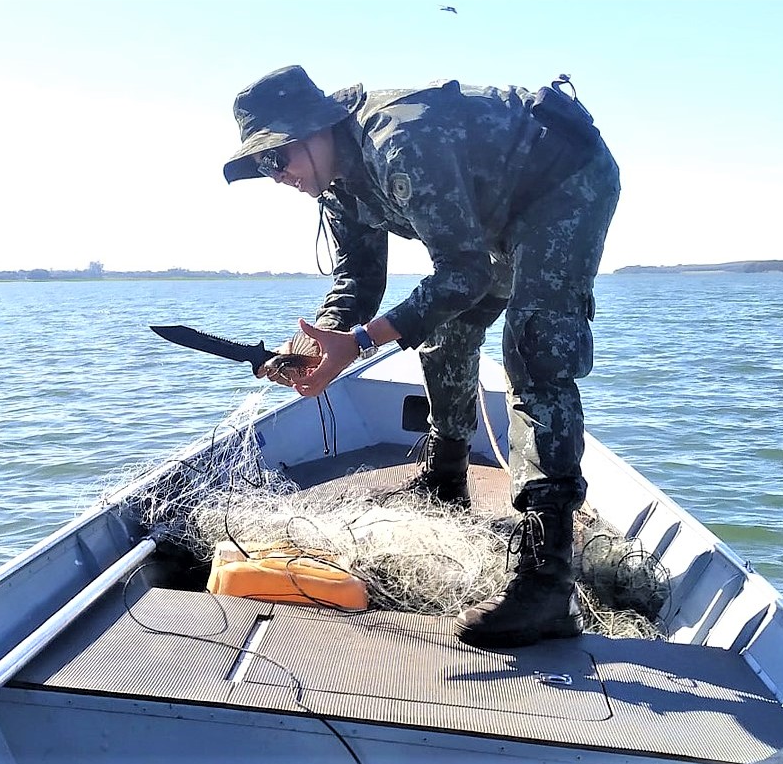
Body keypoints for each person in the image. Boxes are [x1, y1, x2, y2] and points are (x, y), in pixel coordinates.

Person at [222, 65, 620, 649]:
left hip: (563, 185)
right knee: (444, 336)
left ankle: (545, 578)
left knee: (536, 349)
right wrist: (317, 346)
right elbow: (358, 277)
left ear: (315, 131)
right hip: (492, 216)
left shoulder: (400, 142)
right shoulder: (335, 184)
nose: (275, 176)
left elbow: (464, 272)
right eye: (262, 166)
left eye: (277, 158)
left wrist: (360, 343)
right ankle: (445, 476)